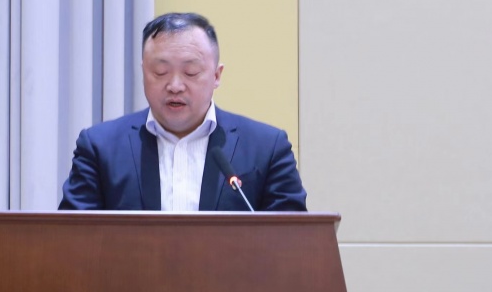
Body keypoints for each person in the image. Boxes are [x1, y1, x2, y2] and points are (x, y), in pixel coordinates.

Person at [59, 12, 307, 211]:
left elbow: (292, 243)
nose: (175, 86)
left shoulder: (266, 148)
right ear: (143, 73)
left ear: (216, 75)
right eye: (160, 72)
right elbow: (72, 239)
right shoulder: (100, 148)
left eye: (190, 72)